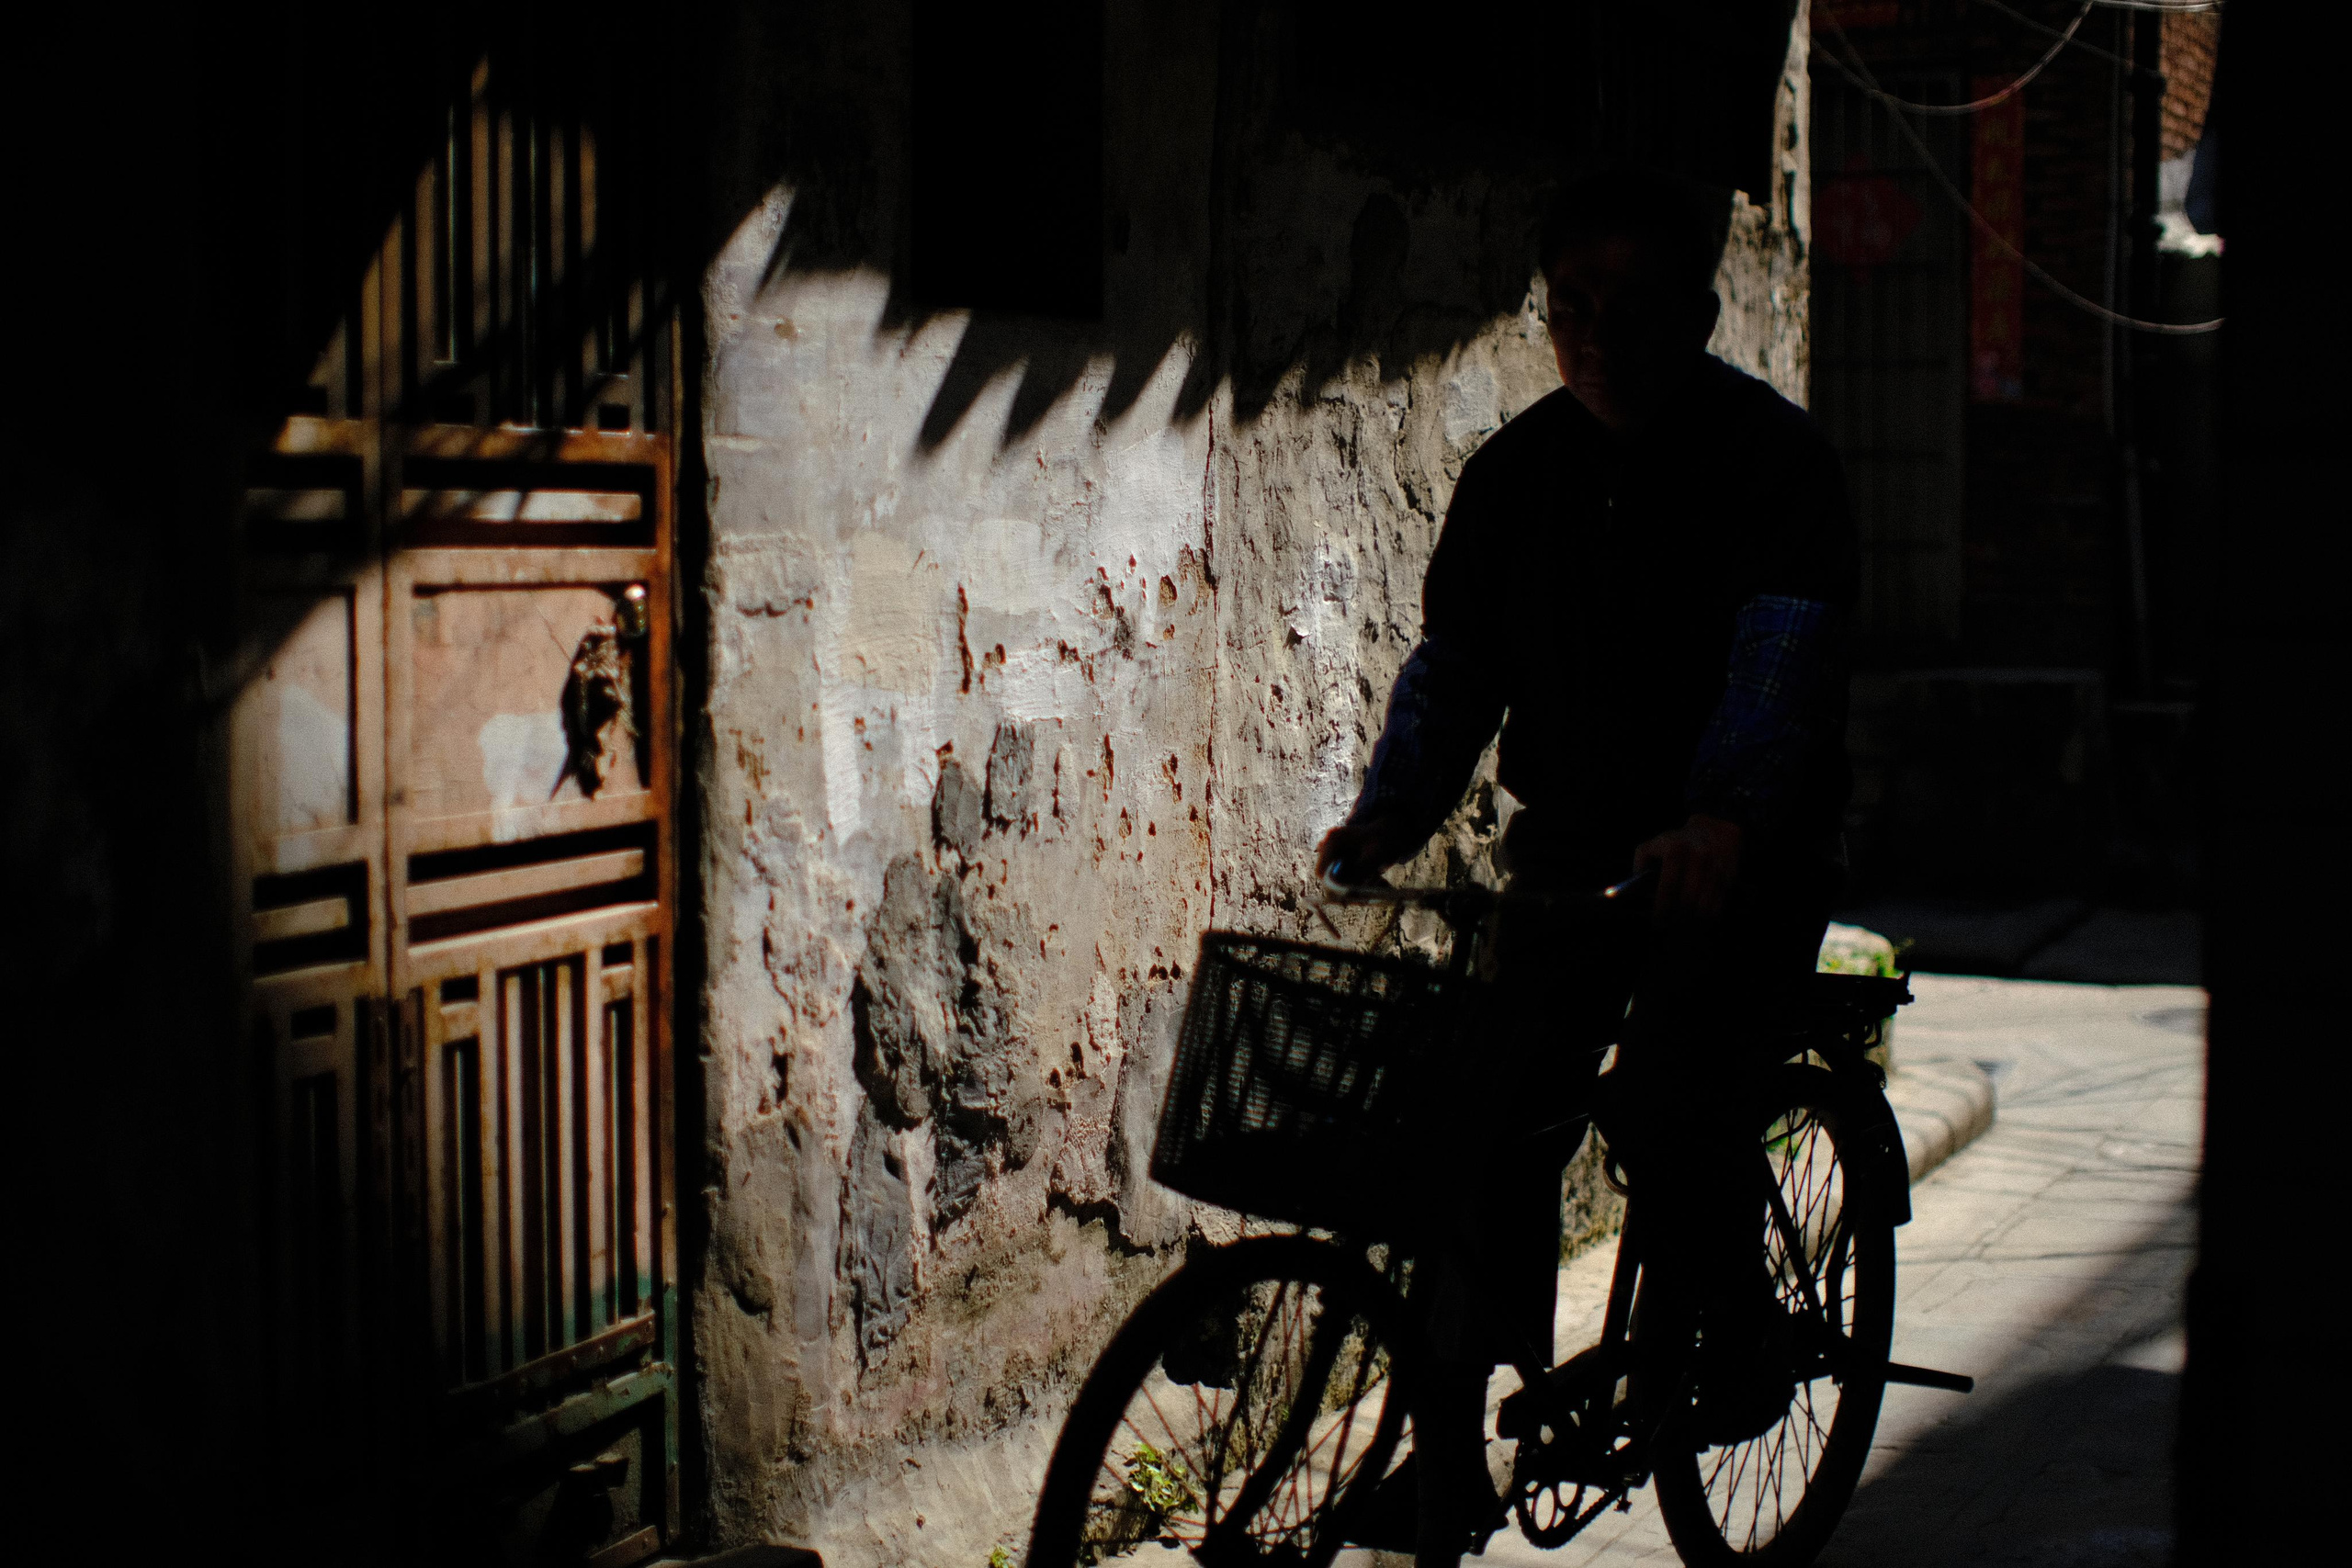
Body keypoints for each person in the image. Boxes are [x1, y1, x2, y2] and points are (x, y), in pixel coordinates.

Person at [1315, 166, 1860, 1550]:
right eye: (1572, 308)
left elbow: (1779, 659)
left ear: (1703, 310)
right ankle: (1448, 1452)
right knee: (1480, 1121)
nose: (1597, 336)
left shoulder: (1773, 465)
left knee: (1667, 1098)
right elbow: (1456, 672)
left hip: (1741, 861)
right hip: (1572, 854)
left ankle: (1731, 1332)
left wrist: (1726, 815)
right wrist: (1391, 814)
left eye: (1631, 307)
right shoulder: (1517, 477)